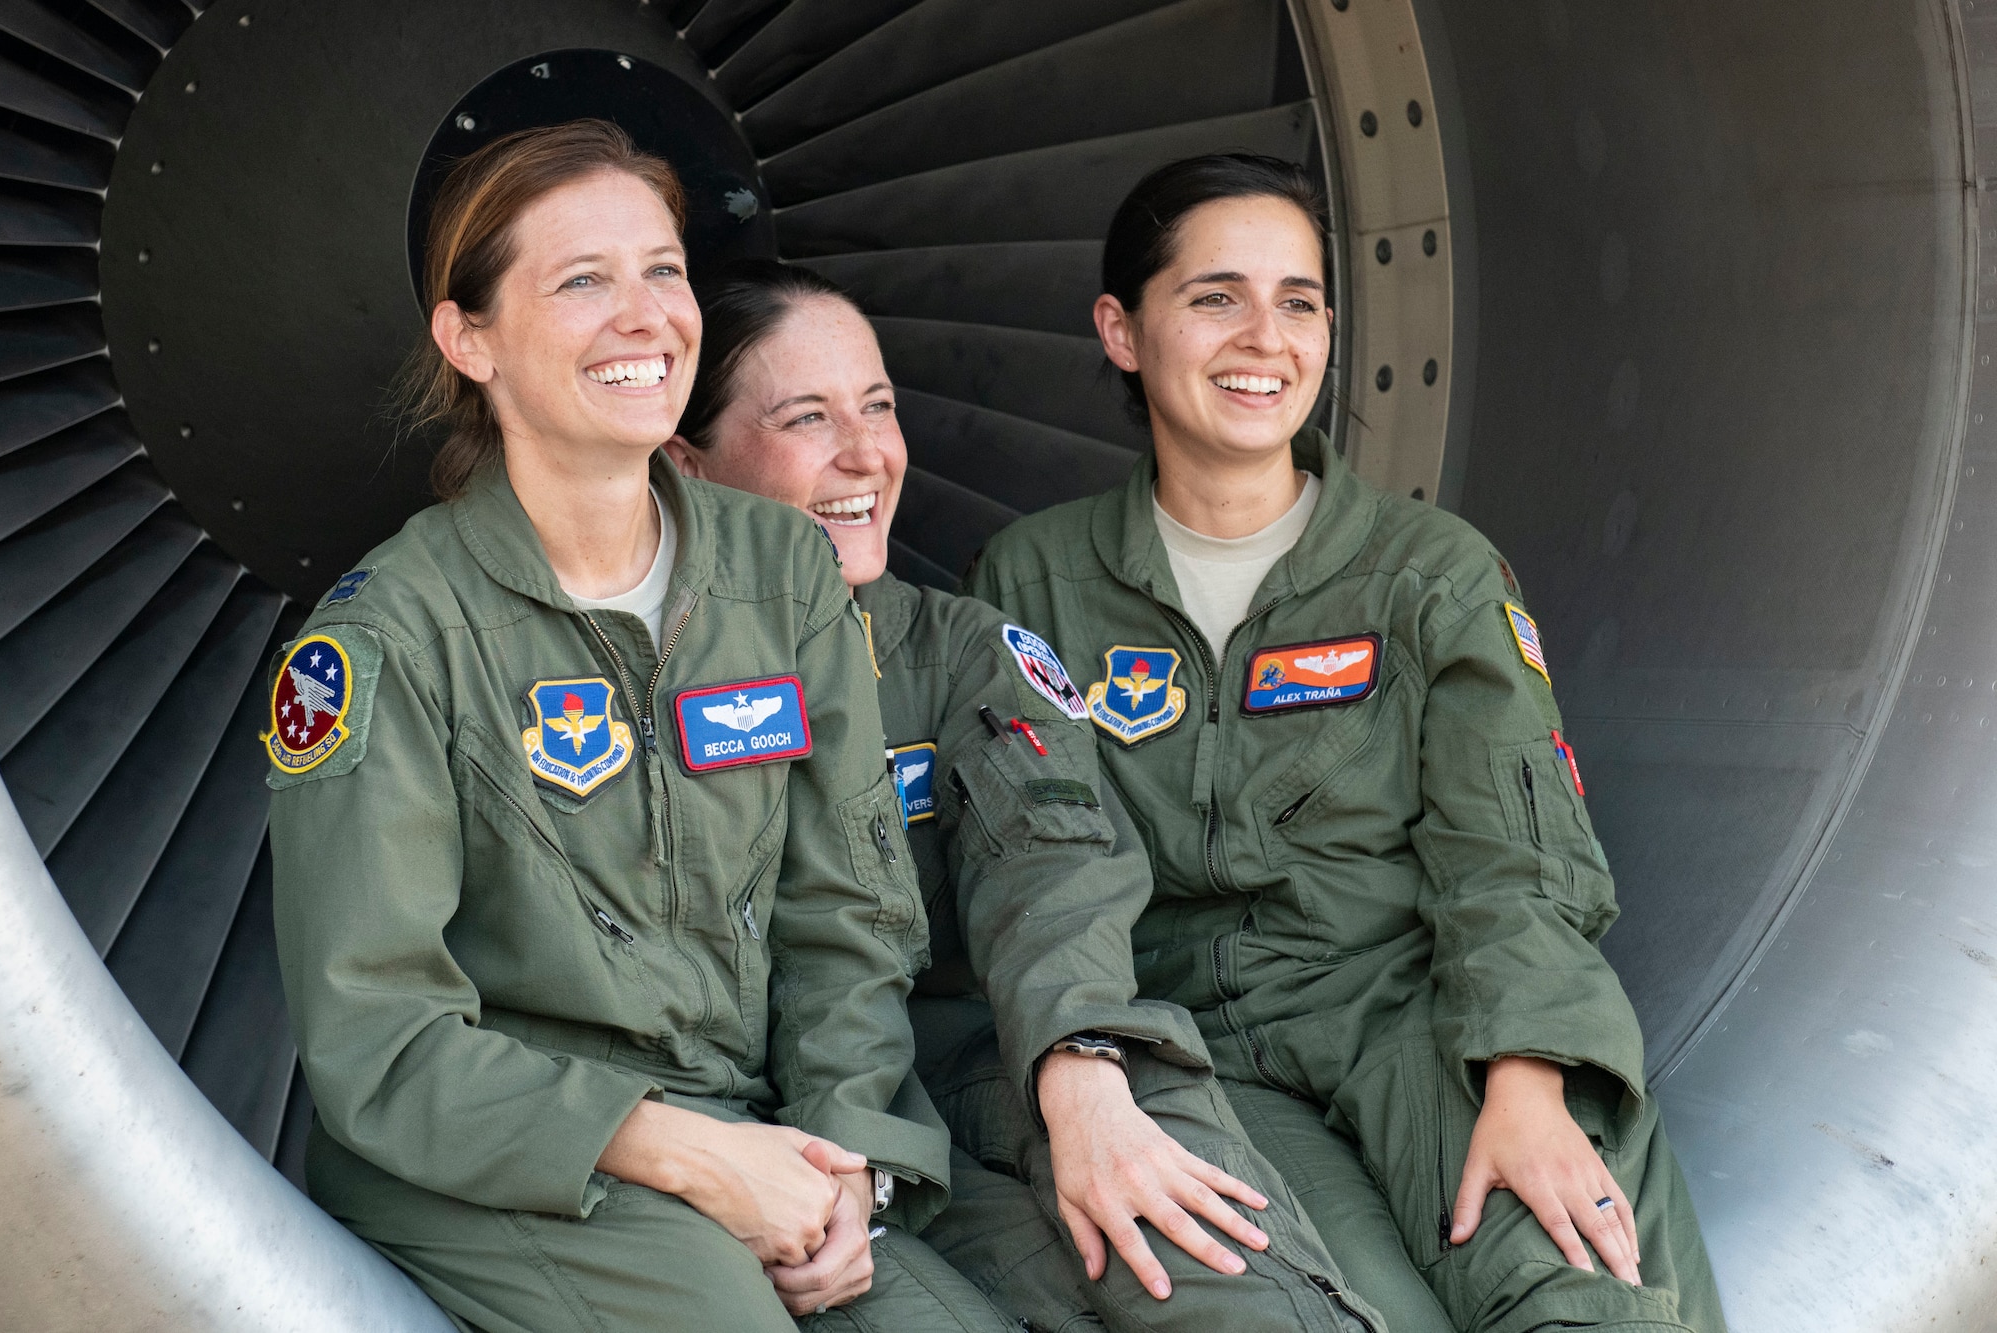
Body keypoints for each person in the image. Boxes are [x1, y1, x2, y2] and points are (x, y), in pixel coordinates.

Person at [265, 120, 1016, 1333]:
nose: (644, 314)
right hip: (497, 1164)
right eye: (580, 280)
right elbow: (384, 1040)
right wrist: (683, 1155)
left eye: (661, 271)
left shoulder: (781, 571)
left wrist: (845, 1163)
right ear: (470, 339)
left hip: (759, 1127)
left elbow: (848, 911)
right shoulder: (385, 644)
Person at [966, 153, 1728, 1332]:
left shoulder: (1430, 573)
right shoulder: (1034, 578)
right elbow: (1026, 860)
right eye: (1213, 297)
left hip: (1418, 1023)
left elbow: (1511, 858)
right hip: (1198, 1049)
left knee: (1575, 1294)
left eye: (1299, 301)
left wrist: (1523, 1081)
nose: (1263, 338)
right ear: (1121, 331)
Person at [663, 259, 1382, 1333]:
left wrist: (1080, 1065)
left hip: (985, 1063)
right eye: (807, 417)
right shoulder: (624, 680)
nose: (865, 453)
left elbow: (1051, 862)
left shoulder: (962, 651)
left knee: (1226, 1284)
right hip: (763, 1124)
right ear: (688, 460)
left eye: (877, 407)